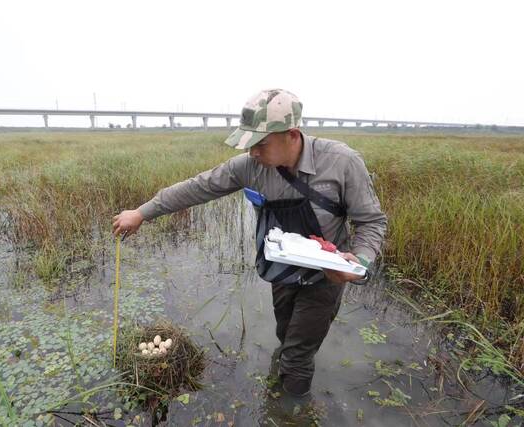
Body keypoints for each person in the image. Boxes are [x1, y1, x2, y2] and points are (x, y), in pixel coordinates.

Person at [112, 89, 387, 397]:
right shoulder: (249, 166)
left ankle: (291, 411)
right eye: (249, 143)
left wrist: (359, 264)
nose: (253, 152)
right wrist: (142, 212)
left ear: (292, 135)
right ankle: (284, 370)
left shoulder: (341, 162)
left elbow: (372, 222)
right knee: (285, 333)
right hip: (281, 269)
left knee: (297, 356)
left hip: (326, 276)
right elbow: (197, 187)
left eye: (261, 143)